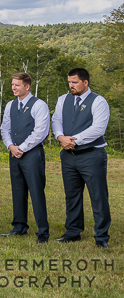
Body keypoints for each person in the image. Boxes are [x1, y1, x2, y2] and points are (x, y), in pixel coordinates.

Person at [51, 68, 111, 248]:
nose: (71, 85)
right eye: (69, 82)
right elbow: (56, 120)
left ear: (85, 82)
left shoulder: (99, 101)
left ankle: (101, 237)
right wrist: (60, 137)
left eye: (75, 82)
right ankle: (73, 231)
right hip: (68, 156)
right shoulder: (63, 99)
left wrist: (73, 140)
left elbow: (98, 129)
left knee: (98, 196)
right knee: (72, 195)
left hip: (91, 154)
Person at [0, 72, 50, 244]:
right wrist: (11, 146)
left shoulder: (39, 105)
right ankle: (19, 227)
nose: (13, 87)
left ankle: (43, 232)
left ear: (27, 87)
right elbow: (4, 128)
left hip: (32, 153)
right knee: (18, 190)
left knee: (36, 191)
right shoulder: (10, 105)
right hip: (14, 153)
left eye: (17, 85)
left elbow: (41, 131)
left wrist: (22, 147)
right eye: (12, 84)